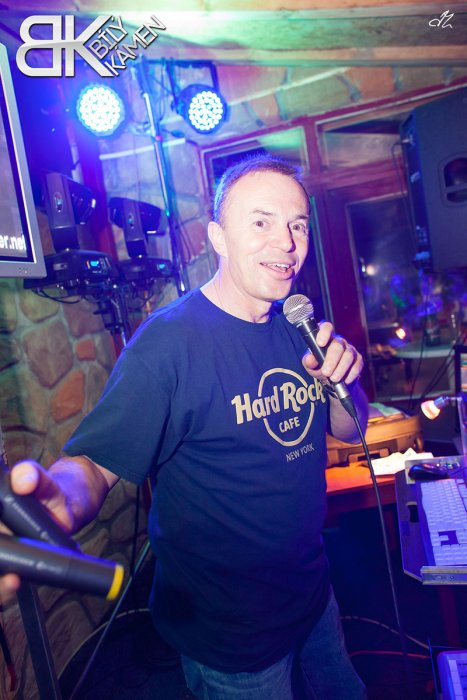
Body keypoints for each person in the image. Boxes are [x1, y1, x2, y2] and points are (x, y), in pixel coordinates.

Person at [1, 155, 368, 699]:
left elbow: (349, 428)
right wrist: (58, 501)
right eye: (262, 222)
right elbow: (94, 466)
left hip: (313, 595)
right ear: (218, 237)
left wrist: (345, 383)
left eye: (297, 225)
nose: (286, 243)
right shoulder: (167, 344)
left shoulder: (298, 323)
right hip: (231, 634)